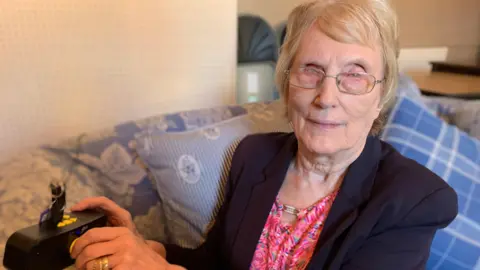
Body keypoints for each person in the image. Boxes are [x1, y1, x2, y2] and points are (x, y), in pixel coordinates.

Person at [69, 0, 459, 269]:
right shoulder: (253, 156)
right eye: (311, 69)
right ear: (287, 84)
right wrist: (147, 249)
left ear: (381, 95)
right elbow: (215, 263)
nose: (327, 97)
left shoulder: (414, 198)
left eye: (355, 75)